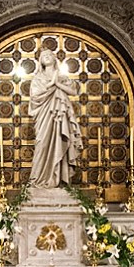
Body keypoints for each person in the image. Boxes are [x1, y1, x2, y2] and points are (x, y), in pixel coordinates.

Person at [29, 48, 83, 188]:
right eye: (43, 56)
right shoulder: (37, 78)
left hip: (60, 116)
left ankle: (57, 180)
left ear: (54, 59)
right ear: (40, 62)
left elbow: (73, 91)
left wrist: (57, 83)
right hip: (45, 115)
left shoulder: (62, 76)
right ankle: (37, 180)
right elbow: (35, 96)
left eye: (49, 55)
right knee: (42, 143)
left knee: (60, 141)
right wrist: (50, 84)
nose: (46, 57)